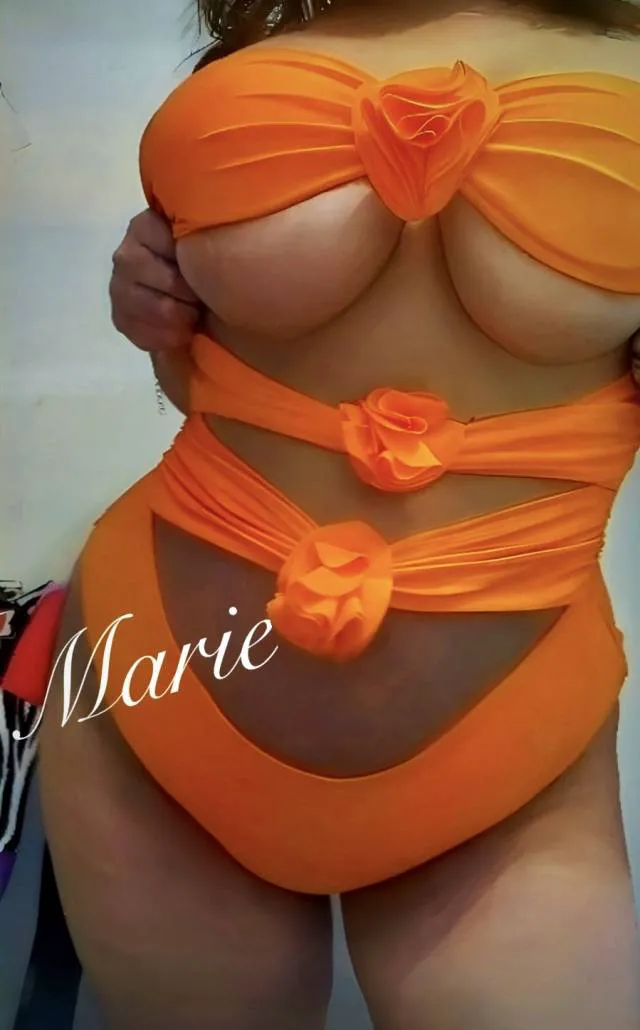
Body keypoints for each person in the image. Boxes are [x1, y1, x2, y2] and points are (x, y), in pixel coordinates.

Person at [23, 0, 640, 1027]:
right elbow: (214, 397)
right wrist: (155, 312)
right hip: (150, 686)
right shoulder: (241, 69)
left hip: (503, 757)